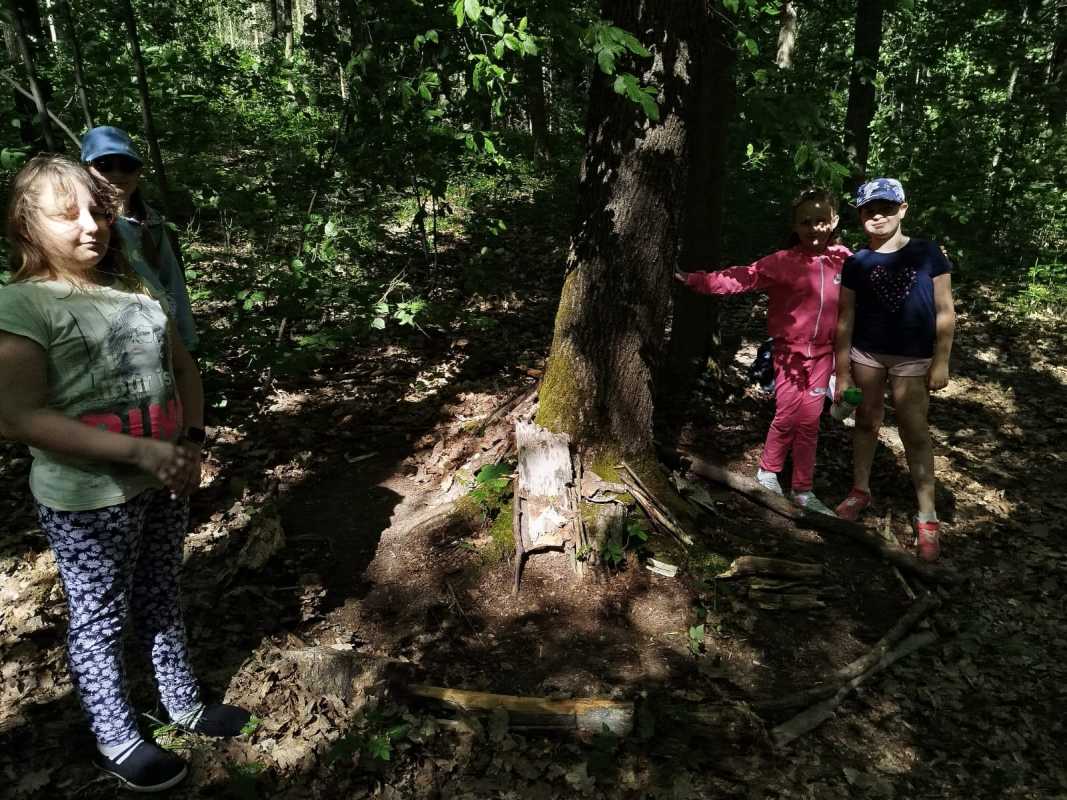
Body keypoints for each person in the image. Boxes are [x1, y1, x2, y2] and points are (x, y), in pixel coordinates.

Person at [0, 156, 249, 792]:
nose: (91, 226)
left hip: (163, 477)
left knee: (162, 591)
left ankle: (183, 704)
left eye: (98, 212)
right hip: (90, 496)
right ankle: (116, 737)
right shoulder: (22, 304)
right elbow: (18, 417)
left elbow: (183, 369)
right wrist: (139, 453)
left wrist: (190, 442)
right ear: (26, 226)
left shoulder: (136, 291)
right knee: (100, 616)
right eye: (67, 215)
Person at [676, 188, 852, 515]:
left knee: (810, 422)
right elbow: (743, 277)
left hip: (824, 356)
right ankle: (768, 472)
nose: (814, 228)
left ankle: (803, 489)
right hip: (789, 353)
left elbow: (866, 290)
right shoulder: (782, 262)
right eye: (806, 222)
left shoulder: (843, 259)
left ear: (834, 221)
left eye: (821, 221)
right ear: (795, 226)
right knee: (787, 414)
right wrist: (695, 280)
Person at [832, 178, 955, 562]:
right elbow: (845, 316)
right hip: (867, 354)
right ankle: (860, 489)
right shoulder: (856, 262)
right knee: (866, 421)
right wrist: (842, 371)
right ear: (860, 216)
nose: (878, 216)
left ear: (902, 209)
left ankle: (927, 515)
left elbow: (945, 310)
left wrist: (941, 360)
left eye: (886, 207)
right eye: (869, 210)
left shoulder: (927, 253)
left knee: (914, 429)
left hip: (913, 358)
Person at [80, 126, 198, 351]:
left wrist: (185, 337)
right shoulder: (83, 226)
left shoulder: (150, 221)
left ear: (138, 172)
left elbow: (170, 279)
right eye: (104, 165)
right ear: (86, 170)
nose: (117, 174)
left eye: (127, 165)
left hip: (158, 332)